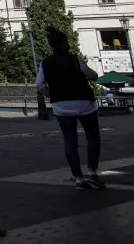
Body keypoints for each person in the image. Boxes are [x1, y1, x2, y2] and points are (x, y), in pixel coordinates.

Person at [36, 27, 104, 190]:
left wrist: (50, 95)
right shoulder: (75, 59)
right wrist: (91, 76)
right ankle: (92, 173)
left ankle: (78, 178)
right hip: (83, 102)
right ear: (65, 44)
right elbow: (91, 75)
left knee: (69, 140)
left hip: (61, 105)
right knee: (92, 137)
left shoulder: (45, 62)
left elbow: (39, 84)